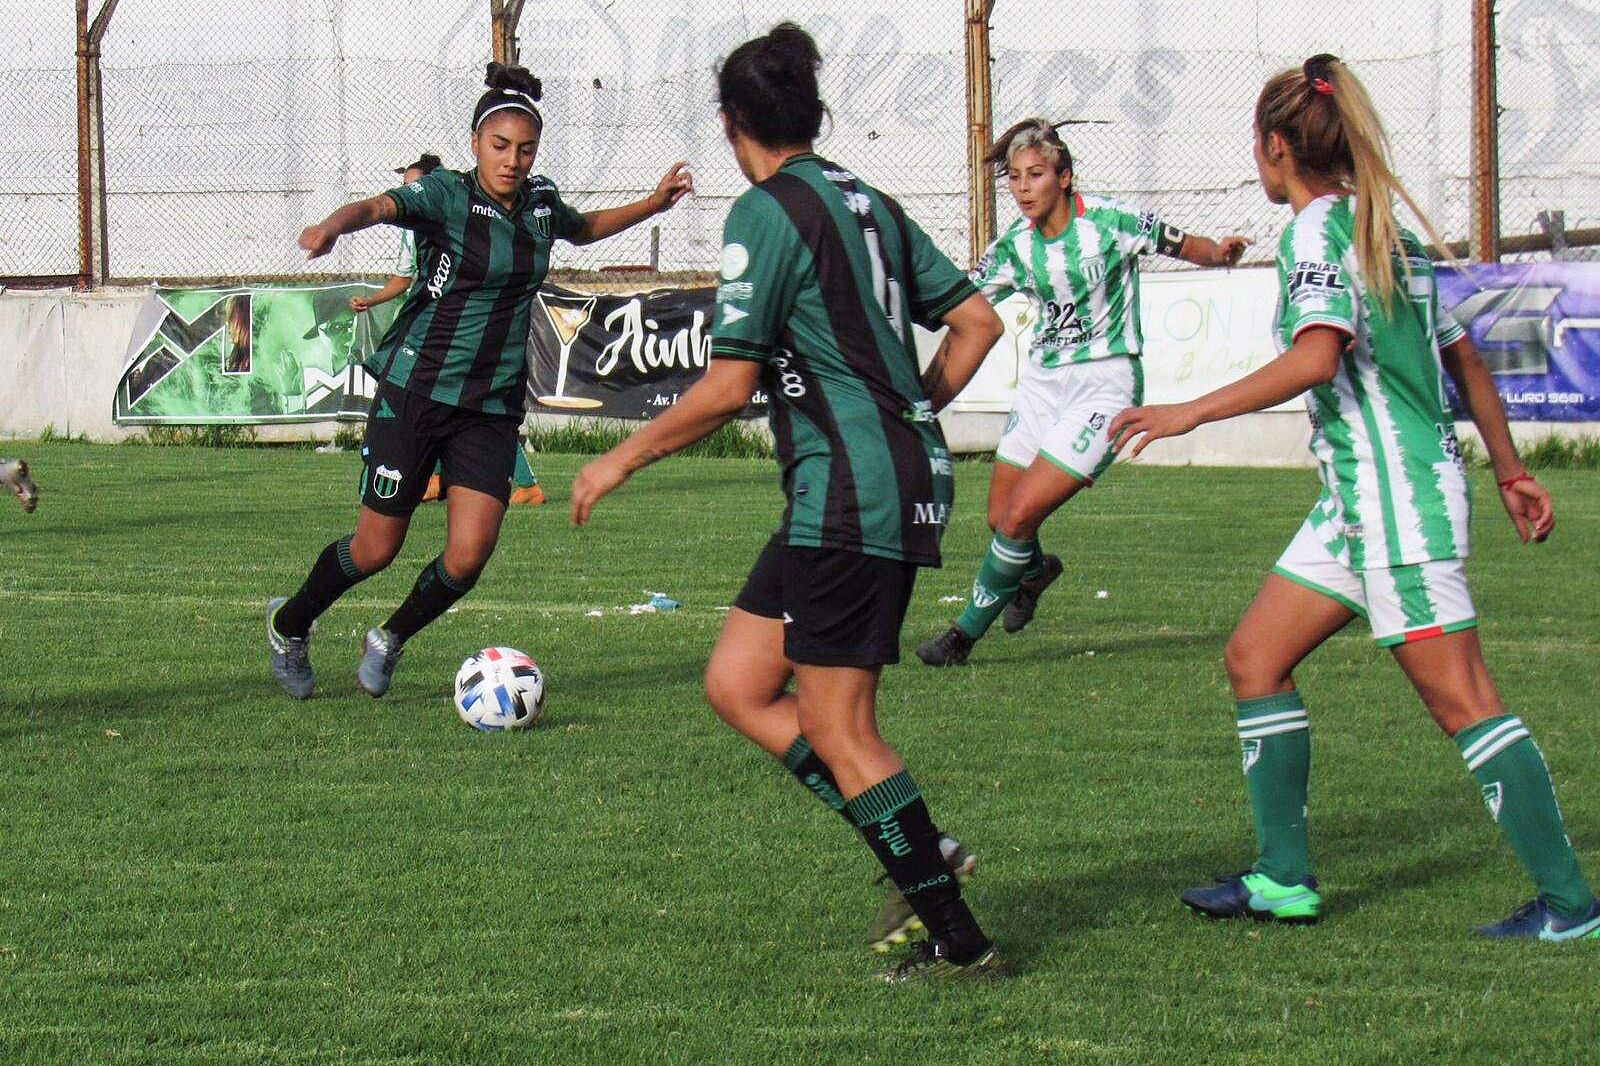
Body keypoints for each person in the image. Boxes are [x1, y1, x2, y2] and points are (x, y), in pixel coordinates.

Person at [1108, 54, 1598, 941]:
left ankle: (1571, 906)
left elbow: (1316, 355)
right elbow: (1466, 358)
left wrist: (1190, 411)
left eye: (1254, 150)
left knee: (1465, 700)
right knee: (1255, 657)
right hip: (1357, 502)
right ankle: (1284, 880)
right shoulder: (1382, 232)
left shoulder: (1316, 234)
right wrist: (1512, 468)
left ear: (1275, 148)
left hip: (1394, 501)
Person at [569, 24, 1008, 981]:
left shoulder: (767, 213)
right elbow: (977, 321)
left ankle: (957, 936)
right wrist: (910, 410)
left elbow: (729, 387)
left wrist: (618, 460)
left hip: (849, 494)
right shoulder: (872, 204)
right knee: (736, 684)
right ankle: (919, 853)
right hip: (867, 483)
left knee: (840, 728)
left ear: (733, 123)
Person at [266, 63, 691, 699]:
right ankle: (290, 623)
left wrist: (654, 205)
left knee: (469, 556)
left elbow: (585, 227)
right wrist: (333, 225)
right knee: (377, 548)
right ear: (475, 144)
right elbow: (379, 206)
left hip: (489, 408)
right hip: (415, 393)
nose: (513, 160)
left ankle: (390, 636)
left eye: (525, 149)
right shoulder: (444, 195)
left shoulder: (542, 206)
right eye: (500, 147)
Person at [915, 118, 1249, 666]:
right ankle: (1035, 572)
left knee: (1020, 516)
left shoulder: (1112, 222)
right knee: (1002, 519)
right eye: (1016, 178)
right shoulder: (1013, 247)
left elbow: (1182, 243)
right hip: (1044, 384)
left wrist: (1220, 252)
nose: (1023, 188)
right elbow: (962, 303)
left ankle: (961, 638)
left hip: (1105, 383)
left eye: (1036, 175)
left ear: (1065, 178)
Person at [351, 153, 546, 507]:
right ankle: (435, 476)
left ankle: (524, 482)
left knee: (468, 408)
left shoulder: (456, 215)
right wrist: (374, 300)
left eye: (413, 186)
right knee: (431, 401)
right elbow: (403, 277)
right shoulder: (412, 229)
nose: (408, 194)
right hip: (424, 329)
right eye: (405, 187)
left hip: (453, 338)